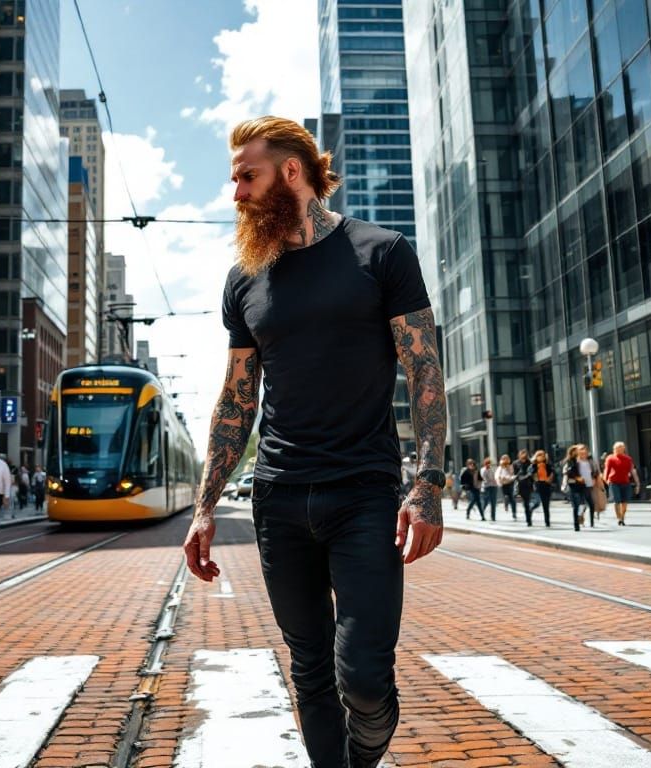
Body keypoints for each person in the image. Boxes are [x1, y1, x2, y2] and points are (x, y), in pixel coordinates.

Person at [183, 116, 446, 768]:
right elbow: (238, 396)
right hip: (278, 497)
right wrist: (205, 504)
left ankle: (363, 750)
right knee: (308, 668)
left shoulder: (380, 252)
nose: (236, 192)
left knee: (361, 675)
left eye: (247, 175)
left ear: (291, 172)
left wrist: (428, 484)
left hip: (363, 494)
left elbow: (425, 373)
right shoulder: (244, 278)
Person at [604, 441, 640, 526]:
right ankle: (619, 518)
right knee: (617, 501)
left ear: (623, 449)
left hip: (625, 482)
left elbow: (632, 471)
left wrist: (637, 483)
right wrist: (606, 480)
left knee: (624, 502)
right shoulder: (610, 458)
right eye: (616, 448)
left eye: (620, 448)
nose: (617, 450)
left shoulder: (628, 459)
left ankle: (622, 516)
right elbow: (607, 470)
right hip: (614, 482)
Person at [561, 444, 593, 531]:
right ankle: (576, 524)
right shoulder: (570, 461)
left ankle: (579, 518)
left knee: (582, 504)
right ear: (572, 452)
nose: (578, 452)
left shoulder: (579, 460)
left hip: (582, 484)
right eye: (576, 450)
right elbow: (568, 472)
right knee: (576, 505)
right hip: (573, 485)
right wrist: (577, 477)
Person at [512, 449, 536, 526]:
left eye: (525, 456)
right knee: (525, 504)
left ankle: (529, 520)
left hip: (528, 485)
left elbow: (532, 472)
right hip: (520, 485)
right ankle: (528, 518)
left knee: (527, 503)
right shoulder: (515, 463)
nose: (524, 458)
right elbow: (515, 474)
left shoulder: (530, 463)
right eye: (522, 455)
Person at [532, 449, 554, 527]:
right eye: (539, 455)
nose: (542, 457)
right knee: (537, 502)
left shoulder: (547, 464)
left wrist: (549, 479)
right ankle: (530, 510)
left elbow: (552, 472)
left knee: (546, 505)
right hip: (538, 485)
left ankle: (547, 521)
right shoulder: (534, 465)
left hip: (546, 485)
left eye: (543, 455)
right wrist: (536, 479)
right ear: (536, 457)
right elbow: (532, 474)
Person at [495, 454, 516, 520]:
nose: (505, 460)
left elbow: (512, 474)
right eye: (504, 459)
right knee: (506, 496)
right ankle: (506, 504)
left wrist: (509, 477)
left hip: (510, 483)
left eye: (507, 458)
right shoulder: (500, 467)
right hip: (504, 484)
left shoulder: (511, 466)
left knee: (511, 498)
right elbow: (497, 475)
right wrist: (500, 479)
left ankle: (514, 512)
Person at [479, 457, 498, 521]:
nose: (489, 465)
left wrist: (495, 481)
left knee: (493, 502)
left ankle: (493, 517)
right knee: (486, 502)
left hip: (494, 486)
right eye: (487, 463)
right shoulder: (483, 470)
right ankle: (482, 514)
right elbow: (484, 479)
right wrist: (491, 480)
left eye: (490, 463)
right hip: (487, 487)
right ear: (485, 464)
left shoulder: (492, 469)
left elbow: (495, 477)